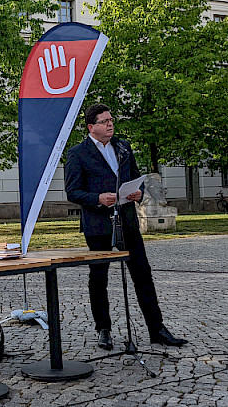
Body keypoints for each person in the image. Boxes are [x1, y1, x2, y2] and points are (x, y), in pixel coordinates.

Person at [65, 103, 188, 350]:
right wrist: (97, 198)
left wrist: (137, 193)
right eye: (104, 121)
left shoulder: (122, 147)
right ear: (91, 127)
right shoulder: (78, 153)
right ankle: (104, 329)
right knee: (99, 278)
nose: (110, 124)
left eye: (111, 120)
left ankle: (157, 328)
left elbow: (135, 177)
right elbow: (73, 191)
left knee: (142, 274)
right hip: (99, 224)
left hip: (127, 220)